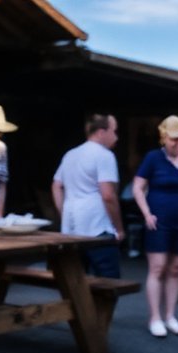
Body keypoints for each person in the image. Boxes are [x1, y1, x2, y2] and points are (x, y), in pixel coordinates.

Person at [131, 116, 178, 337]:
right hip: (158, 220)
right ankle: (155, 317)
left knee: (175, 269)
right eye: (173, 139)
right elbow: (137, 187)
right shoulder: (153, 158)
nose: (177, 143)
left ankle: (171, 316)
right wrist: (146, 213)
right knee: (157, 267)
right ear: (164, 138)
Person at [52, 113, 125, 278]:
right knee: (109, 283)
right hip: (98, 228)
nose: (116, 136)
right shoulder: (104, 155)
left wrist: (64, 212)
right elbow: (108, 195)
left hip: (72, 229)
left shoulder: (70, 154)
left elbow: (56, 186)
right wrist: (119, 228)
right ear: (101, 132)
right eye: (114, 131)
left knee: (78, 282)